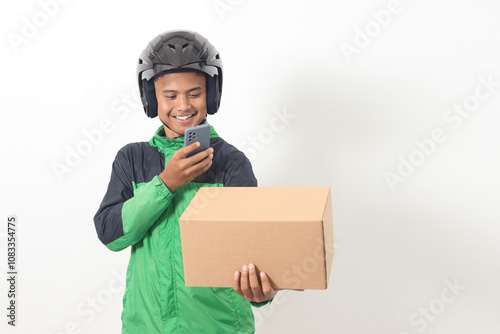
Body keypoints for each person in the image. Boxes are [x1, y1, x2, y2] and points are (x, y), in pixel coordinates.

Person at [94, 30, 277, 333]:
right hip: (146, 327)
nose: (183, 105)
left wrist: (262, 293)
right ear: (152, 99)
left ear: (212, 95)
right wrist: (165, 183)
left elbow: (252, 251)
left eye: (194, 93)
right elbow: (111, 234)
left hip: (218, 327)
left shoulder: (232, 163)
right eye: (170, 95)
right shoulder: (132, 159)